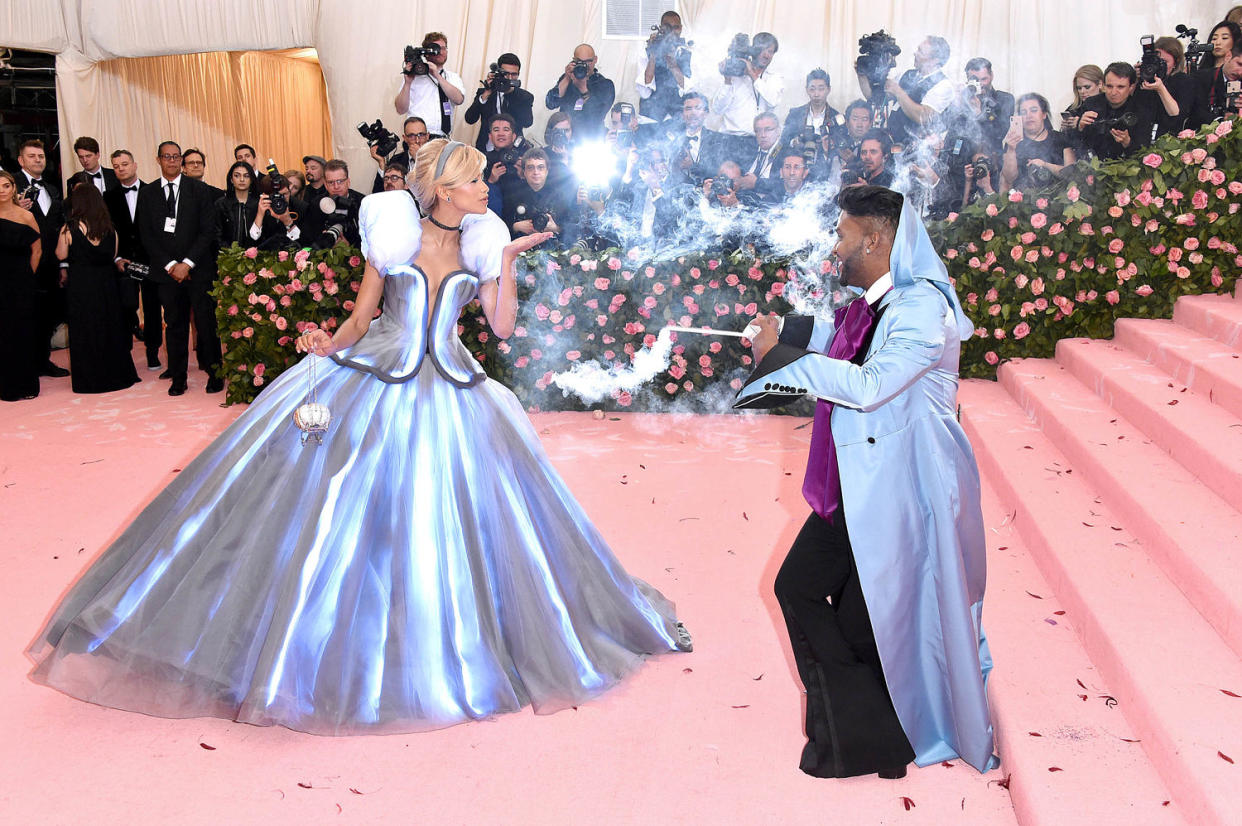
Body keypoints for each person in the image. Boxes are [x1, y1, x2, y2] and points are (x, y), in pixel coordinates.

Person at [27, 138, 691, 735]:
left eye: (484, 178)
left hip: (456, 388)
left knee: (469, 519)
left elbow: (506, 328)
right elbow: (360, 318)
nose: (487, 186)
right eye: (474, 179)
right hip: (380, 375)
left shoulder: (485, 241)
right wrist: (322, 350)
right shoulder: (394, 237)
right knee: (347, 512)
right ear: (444, 189)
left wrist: (509, 260)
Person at [736, 184, 997, 780]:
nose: (835, 246)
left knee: (831, 601)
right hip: (858, 480)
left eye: (843, 235)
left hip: (902, 486)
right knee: (831, 600)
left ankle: (865, 736)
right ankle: (872, 735)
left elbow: (871, 383)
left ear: (876, 239)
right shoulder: (874, 304)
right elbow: (844, 349)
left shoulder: (919, 306)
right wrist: (782, 337)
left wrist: (781, 357)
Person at [135, 141, 222, 396]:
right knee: (174, 325)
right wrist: (172, 265)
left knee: (206, 323)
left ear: (181, 160)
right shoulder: (148, 193)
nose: (171, 161)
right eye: (167, 157)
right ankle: (179, 377)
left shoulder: (199, 190)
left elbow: (208, 232)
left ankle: (215, 373)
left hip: (198, 269)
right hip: (167, 273)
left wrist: (188, 263)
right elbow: (147, 235)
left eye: (176, 157)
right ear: (158, 159)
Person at [56, 183, 140, 395]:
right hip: (107, 285)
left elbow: (60, 255)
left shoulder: (69, 228)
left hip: (81, 287)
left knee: (85, 331)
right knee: (110, 328)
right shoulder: (110, 228)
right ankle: (116, 375)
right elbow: (113, 255)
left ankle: (90, 380)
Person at [15, 139, 69, 379]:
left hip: (50, 262)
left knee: (47, 314)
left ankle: (43, 361)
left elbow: (57, 226)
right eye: (32, 156)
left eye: (41, 156)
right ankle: (24, 365)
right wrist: (14, 207)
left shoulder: (52, 188)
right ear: (21, 160)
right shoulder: (9, 186)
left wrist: (62, 263)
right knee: (24, 315)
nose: (38, 160)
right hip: (23, 261)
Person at [103, 149, 154, 356]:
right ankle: (125, 356)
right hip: (123, 262)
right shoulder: (108, 197)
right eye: (116, 166)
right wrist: (116, 257)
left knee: (152, 309)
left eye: (124, 164)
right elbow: (107, 230)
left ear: (134, 165)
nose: (121, 169)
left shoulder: (153, 192)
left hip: (151, 261)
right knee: (125, 307)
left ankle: (152, 353)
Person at [0, 170, 44, 401]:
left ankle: (27, 384)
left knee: (24, 331)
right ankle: (6, 385)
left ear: (13, 188)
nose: (2, 191)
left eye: (6, 186)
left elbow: (37, 250)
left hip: (21, 281)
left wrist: (28, 275)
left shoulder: (25, 216)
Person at [1076, 62, 1163, 160]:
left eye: (1120, 87)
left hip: (1125, 166)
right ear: (1103, 85)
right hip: (1092, 164)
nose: (1113, 92)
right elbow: (1075, 141)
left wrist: (1127, 143)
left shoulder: (1141, 109)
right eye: (1109, 86)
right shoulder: (1091, 104)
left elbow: (1143, 151)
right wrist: (1079, 127)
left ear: (1131, 87)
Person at [711, 32, 783, 139]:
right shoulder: (735, 72)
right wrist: (727, 80)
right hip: (728, 138)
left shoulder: (774, 78)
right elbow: (717, 109)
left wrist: (752, 75)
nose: (766, 55)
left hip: (757, 140)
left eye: (770, 51)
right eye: (762, 50)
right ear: (753, 50)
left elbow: (773, 101)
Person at [394, 32, 466, 138]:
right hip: (418, 137)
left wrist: (437, 75)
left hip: (443, 138)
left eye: (443, 48)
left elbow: (459, 100)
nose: (441, 52)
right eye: (436, 48)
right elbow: (400, 109)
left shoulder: (453, 77)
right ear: (427, 53)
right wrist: (407, 83)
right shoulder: (413, 77)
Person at [999, 93, 1075, 192]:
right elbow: (1009, 178)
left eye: (1034, 110)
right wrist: (1011, 149)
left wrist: (1045, 165)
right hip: (1022, 201)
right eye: (1023, 112)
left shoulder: (1060, 138)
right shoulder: (1013, 141)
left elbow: (1072, 174)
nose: (1028, 116)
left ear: (1044, 114)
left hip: (1058, 199)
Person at [464, 53, 535, 151]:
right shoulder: (485, 93)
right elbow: (469, 119)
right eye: (506, 74)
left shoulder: (524, 97)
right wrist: (487, 92)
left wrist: (511, 93)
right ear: (498, 74)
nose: (510, 78)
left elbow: (527, 122)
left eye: (514, 74)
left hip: (513, 150)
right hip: (486, 149)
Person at [545, 44, 615, 140]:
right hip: (566, 137)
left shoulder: (604, 85)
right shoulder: (568, 79)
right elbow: (551, 103)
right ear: (573, 60)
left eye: (588, 62)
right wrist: (566, 77)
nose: (584, 65)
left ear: (595, 60)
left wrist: (583, 89)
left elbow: (597, 115)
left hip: (592, 138)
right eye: (579, 62)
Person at [636, 10, 692, 123]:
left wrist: (673, 64)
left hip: (677, 117)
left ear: (680, 28)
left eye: (675, 27)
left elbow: (689, 90)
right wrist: (653, 54)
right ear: (661, 28)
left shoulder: (688, 51)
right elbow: (644, 92)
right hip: (650, 116)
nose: (672, 32)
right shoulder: (647, 49)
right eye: (668, 27)